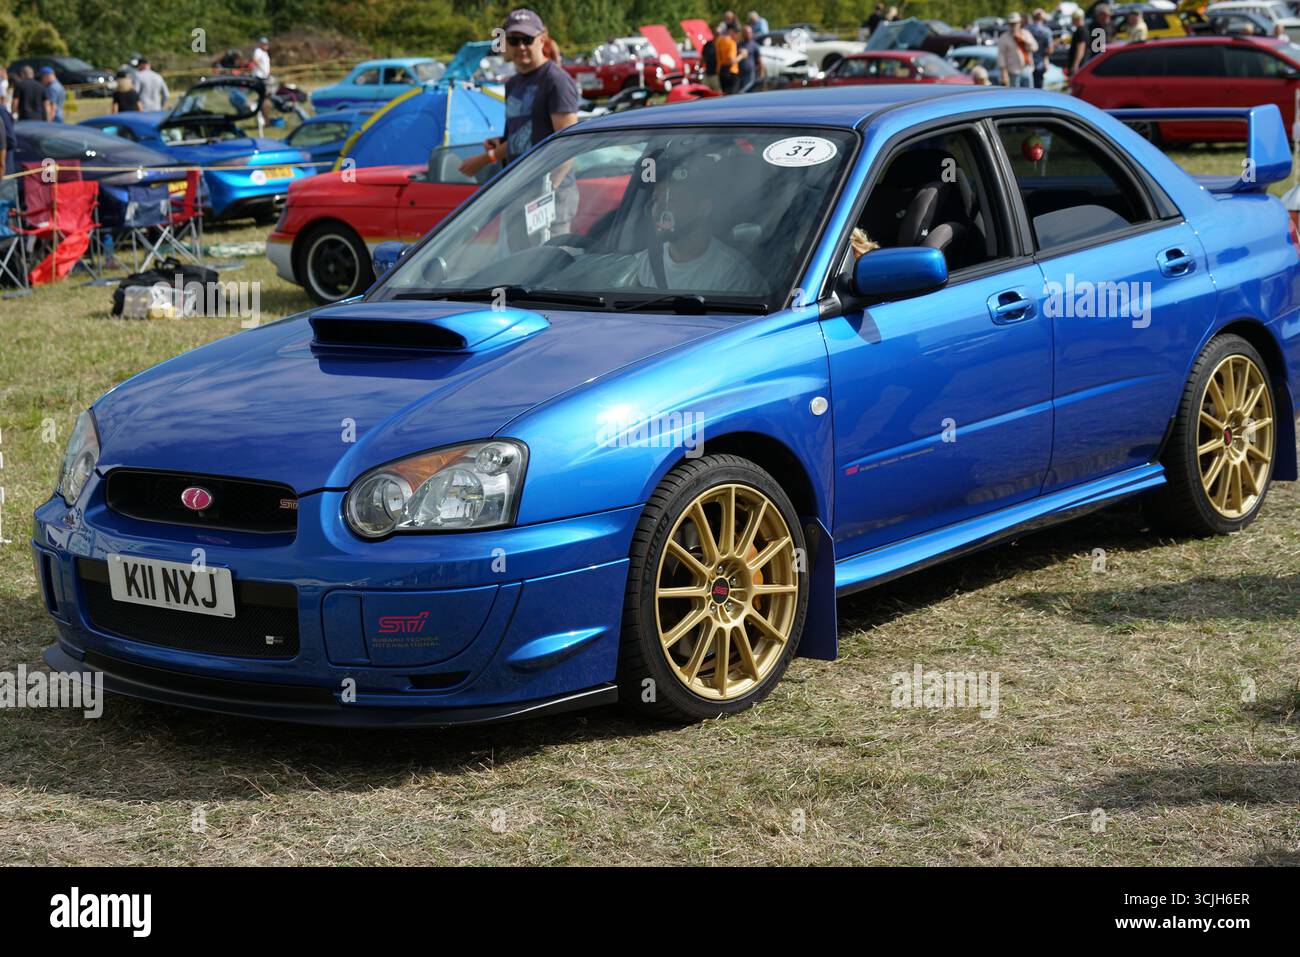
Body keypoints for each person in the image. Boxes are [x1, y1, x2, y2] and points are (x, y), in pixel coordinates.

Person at [458, 10, 581, 232]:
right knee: (518, 263)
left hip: (550, 197)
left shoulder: (556, 81)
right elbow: (521, 136)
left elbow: (568, 145)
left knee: (547, 265)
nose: (521, 46)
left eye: (527, 39)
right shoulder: (513, 84)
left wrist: (546, 193)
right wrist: (498, 144)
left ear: (541, 39)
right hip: (518, 191)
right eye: (514, 40)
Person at [633, 155, 763, 293]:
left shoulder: (732, 274)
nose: (658, 209)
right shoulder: (642, 264)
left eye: (671, 200)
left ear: (703, 208)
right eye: (655, 199)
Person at [997, 13, 1037, 88]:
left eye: (1015, 23)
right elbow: (1001, 56)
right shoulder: (1004, 37)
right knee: (1015, 95)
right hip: (1013, 71)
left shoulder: (1026, 34)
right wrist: (1003, 72)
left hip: (1027, 69)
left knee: (1029, 94)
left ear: (1019, 23)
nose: (1013, 26)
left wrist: (1023, 40)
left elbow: (1034, 48)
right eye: (1011, 24)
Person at [1027, 9, 1054, 88]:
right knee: (1039, 87)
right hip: (1040, 63)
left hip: (1028, 62)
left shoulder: (1027, 29)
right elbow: (1050, 49)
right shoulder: (1047, 31)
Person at [736, 24, 764, 92]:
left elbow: (759, 60)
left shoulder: (754, 45)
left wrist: (761, 72)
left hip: (750, 72)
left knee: (747, 90)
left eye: (749, 32)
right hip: (739, 73)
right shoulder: (739, 44)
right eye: (746, 32)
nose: (748, 34)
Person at [715, 23, 740, 94]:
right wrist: (742, 56)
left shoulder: (719, 41)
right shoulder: (731, 43)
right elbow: (731, 61)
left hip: (721, 71)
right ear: (731, 31)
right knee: (733, 96)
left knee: (725, 94)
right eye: (736, 32)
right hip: (731, 71)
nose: (737, 35)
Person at [1068, 9, 1088, 76]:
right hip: (1083, 63)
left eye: (1073, 18)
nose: (1072, 20)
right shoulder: (1085, 29)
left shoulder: (1080, 31)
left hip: (1080, 65)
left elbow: (1081, 48)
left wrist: (1075, 65)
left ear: (1077, 18)